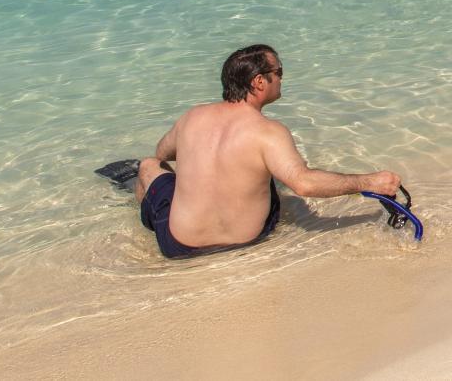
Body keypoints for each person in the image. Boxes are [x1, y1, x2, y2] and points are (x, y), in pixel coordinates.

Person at [133, 44, 401, 259]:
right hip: (249, 240)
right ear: (260, 81)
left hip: (178, 247)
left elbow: (162, 154)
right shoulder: (268, 131)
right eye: (280, 72)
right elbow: (304, 184)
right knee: (275, 172)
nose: (282, 78)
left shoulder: (191, 117)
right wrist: (371, 181)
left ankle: (145, 223)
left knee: (147, 165)